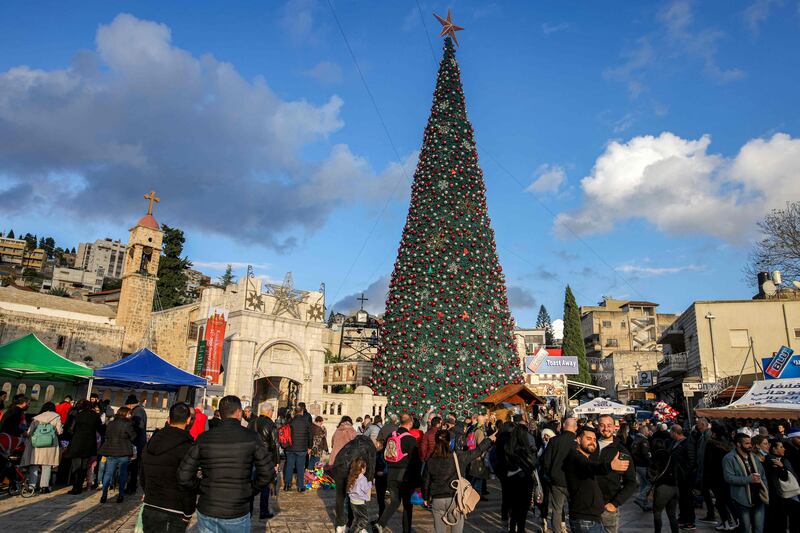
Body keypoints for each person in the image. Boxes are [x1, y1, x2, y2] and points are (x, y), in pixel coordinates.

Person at [178, 395, 275, 532]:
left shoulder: (204, 438)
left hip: (209, 506)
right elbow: (268, 472)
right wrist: (250, 490)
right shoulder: (251, 437)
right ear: (238, 412)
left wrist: (202, 487)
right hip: (236, 508)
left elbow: (184, 475)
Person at [422, 428, 495, 533]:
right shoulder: (458, 457)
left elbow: (426, 480)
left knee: (439, 530)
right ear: (449, 441)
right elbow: (477, 451)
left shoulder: (431, 460)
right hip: (455, 499)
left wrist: (425, 497)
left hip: (437, 499)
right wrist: (489, 439)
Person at [140, 402, 196, 532]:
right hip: (175, 508)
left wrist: (148, 494)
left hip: (151, 505)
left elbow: (142, 474)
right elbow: (188, 482)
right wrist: (188, 511)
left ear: (169, 419)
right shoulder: (188, 447)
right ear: (188, 420)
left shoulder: (151, 443)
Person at [563, 426, 630, 533]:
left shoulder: (583, 457)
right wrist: (610, 466)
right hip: (585, 520)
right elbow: (590, 467)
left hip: (591, 518)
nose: (592, 442)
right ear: (579, 440)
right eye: (588, 439)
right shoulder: (576, 457)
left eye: (594, 440)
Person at [375, 413, 421, 533]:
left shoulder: (392, 435)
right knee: (407, 505)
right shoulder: (410, 439)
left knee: (394, 501)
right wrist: (418, 482)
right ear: (410, 423)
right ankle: (406, 531)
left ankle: (380, 524)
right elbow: (416, 462)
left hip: (391, 474)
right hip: (405, 476)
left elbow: (385, 454)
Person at [591, 415, 636, 533]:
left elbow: (631, 482)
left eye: (609, 425)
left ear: (614, 427)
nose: (606, 428)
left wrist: (615, 503)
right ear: (597, 427)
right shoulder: (590, 445)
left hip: (607, 505)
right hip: (587, 505)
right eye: (602, 425)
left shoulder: (621, 451)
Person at [495, 422, 537, 533]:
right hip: (523, 482)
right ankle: (520, 529)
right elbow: (532, 465)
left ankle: (511, 528)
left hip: (509, 480)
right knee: (522, 511)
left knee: (513, 508)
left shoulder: (507, 447)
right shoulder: (524, 449)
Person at [722, 432, 768, 533]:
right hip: (742, 500)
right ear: (738, 444)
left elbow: (763, 475)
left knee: (759, 529)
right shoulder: (729, 458)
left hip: (758, 498)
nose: (750, 445)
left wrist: (765, 491)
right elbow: (729, 478)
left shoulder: (754, 457)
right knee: (745, 529)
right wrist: (749, 479)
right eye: (747, 443)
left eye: (750, 443)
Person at [331, 435, 377, 533]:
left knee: (340, 496)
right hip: (350, 471)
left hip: (338, 469)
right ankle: (354, 524)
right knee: (355, 497)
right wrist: (368, 481)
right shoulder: (370, 447)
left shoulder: (350, 444)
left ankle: (340, 525)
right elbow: (371, 467)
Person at [541, 417, 577, 533]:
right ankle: (575, 529)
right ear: (575, 428)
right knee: (575, 508)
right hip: (573, 481)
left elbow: (546, 461)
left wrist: (550, 474)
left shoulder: (554, 440)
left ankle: (557, 531)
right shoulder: (577, 441)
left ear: (563, 426)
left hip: (556, 480)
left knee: (557, 509)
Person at [21, 401, 62, 493]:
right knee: (47, 465)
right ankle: (44, 487)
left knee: (34, 465)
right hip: (50, 445)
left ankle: (32, 486)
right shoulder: (56, 416)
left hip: (36, 444)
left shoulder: (37, 417)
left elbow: (29, 432)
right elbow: (59, 431)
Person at [98, 406, 137, 503]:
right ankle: (120, 495)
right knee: (122, 474)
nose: (130, 415)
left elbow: (106, 435)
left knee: (108, 473)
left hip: (111, 451)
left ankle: (104, 495)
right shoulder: (128, 424)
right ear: (125, 413)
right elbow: (133, 437)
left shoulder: (111, 423)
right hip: (123, 451)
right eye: (129, 413)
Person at [64, 399, 103, 495]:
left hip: (77, 442)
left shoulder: (78, 415)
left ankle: (75, 487)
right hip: (89, 443)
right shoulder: (95, 416)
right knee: (84, 466)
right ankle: (79, 486)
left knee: (76, 466)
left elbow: (70, 430)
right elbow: (100, 428)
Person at [249, 402, 279, 520]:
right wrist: (276, 461)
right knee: (265, 484)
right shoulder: (270, 424)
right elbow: (275, 444)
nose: (272, 413)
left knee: (251, 483)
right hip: (266, 458)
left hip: (252, 457)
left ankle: (249, 510)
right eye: (272, 411)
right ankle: (263, 510)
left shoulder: (251, 423)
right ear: (269, 411)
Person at [704, 424, 736, 532]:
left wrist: (707, 477)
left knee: (720, 501)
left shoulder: (711, 445)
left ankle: (726, 523)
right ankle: (735, 521)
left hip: (716, 477)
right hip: (727, 475)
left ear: (714, 433)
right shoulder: (728, 444)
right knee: (728, 500)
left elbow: (709, 462)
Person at [764, 439, 800, 533]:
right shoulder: (772, 462)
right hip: (783, 495)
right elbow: (787, 476)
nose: (784, 449)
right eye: (781, 447)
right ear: (774, 449)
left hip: (787, 494)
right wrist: (782, 467)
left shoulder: (784, 460)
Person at [669, 424, 696, 530]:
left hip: (686, 477)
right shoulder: (674, 442)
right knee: (682, 499)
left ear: (675, 432)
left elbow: (691, 461)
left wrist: (685, 473)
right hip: (678, 476)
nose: (670, 434)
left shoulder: (687, 443)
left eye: (671, 432)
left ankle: (690, 521)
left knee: (687, 499)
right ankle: (683, 518)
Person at [649, 437, 679, 533]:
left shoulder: (655, 456)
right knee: (672, 515)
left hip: (662, 487)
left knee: (657, 513)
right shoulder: (670, 455)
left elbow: (651, 473)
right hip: (674, 487)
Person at [284, 405, 313, 491]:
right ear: (302, 412)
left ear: (295, 412)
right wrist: (309, 447)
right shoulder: (306, 422)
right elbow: (310, 436)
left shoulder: (290, 421)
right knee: (300, 467)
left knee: (289, 466)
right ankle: (300, 486)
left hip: (290, 448)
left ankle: (287, 485)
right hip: (302, 448)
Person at [125, 394, 148, 494]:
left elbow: (139, 427)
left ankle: (131, 486)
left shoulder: (137, 412)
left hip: (137, 442)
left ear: (130, 405)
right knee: (133, 465)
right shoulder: (139, 410)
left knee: (133, 466)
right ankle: (131, 485)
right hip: (139, 442)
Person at [347, 457, 373, 533]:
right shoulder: (362, 478)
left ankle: (352, 530)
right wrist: (370, 483)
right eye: (365, 468)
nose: (365, 470)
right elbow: (365, 489)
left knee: (356, 518)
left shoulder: (352, 476)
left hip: (352, 501)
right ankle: (355, 531)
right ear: (361, 469)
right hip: (360, 502)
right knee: (364, 519)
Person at [467, 413, 491, 496]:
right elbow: (482, 446)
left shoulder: (474, 429)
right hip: (478, 457)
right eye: (484, 420)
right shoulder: (480, 431)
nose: (485, 421)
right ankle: (476, 495)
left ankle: (473, 493)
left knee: (475, 477)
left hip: (473, 455)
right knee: (478, 477)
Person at [631, 425, 652, 510]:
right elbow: (645, 454)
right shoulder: (643, 441)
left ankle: (644, 503)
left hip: (637, 465)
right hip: (643, 465)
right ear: (643, 432)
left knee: (643, 483)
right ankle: (640, 498)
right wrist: (650, 462)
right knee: (650, 483)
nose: (648, 432)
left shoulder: (635, 439)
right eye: (647, 431)